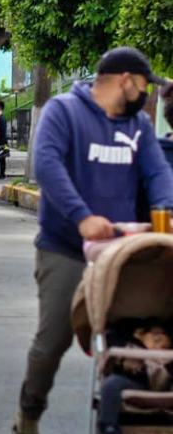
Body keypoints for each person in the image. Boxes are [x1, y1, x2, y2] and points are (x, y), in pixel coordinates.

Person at [12, 47, 173, 434]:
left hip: (122, 252)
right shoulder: (63, 112)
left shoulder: (138, 128)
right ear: (126, 81)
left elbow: (156, 173)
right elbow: (46, 164)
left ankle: (131, 414)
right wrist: (82, 217)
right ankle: (29, 414)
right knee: (53, 341)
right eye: (143, 87)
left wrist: (165, 214)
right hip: (65, 247)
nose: (147, 96)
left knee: (139, 338)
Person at [98, 319, 173, 434]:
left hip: (167, 385)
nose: (158, 338)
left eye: (163, 334)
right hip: (137, 383)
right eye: (154, 334)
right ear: (140, 335)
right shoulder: (130, 345)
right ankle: (109, 426)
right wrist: (124, 359)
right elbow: (111, 344)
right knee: (111, 384)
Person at [0, 100, 9, 179]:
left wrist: (0, 142)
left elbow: (2, 131)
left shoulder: (1, 118)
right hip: (1, 140)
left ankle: (1, 174)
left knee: (1, 158)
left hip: (1, 141)